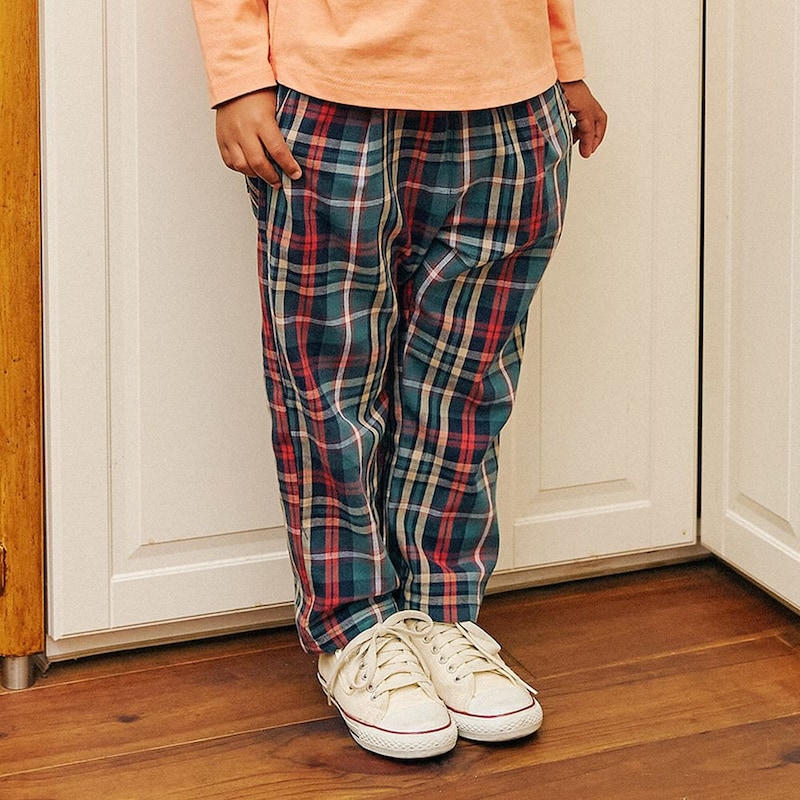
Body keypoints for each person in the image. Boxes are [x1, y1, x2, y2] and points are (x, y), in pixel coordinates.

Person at [191, 0, 607, 760]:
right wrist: (238, 77)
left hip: (513, 104)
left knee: (465, 388)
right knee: (329, 388)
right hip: (331, 100)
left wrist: (563, 61)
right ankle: (355, 630)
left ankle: (441, 612)